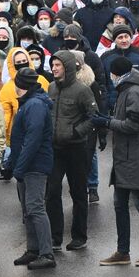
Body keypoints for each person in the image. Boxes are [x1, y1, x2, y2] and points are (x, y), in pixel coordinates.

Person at [94, 56, 139, 267]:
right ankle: (123, 252)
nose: (111, 78)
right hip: (124, 158)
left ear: (117, 74)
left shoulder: (135, 93)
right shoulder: (126, 91)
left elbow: (133, 126)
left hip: (135, 158)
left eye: (112, 74)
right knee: (119, 205)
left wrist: (107, 122)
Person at [46, 50, 95, 251]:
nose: (54, 68)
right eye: (53, 65)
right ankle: (55, 236)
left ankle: (79, 236)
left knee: (78, 193)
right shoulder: (50, 88)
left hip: (76, 148)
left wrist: (76, 132)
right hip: (55, 149)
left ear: (66, 67)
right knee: (52, 191)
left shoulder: (82, 90)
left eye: (58, 65)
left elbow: (94, 117)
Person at [9, 68, 56, 270]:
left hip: (34, 165)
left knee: (36, 208)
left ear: (20, 85)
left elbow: (32, 140)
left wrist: (19, 167)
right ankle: (33, 249)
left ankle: (47, 254)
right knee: (28, 210)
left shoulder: (34, 105)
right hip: (27, 164)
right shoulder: (28, 103)